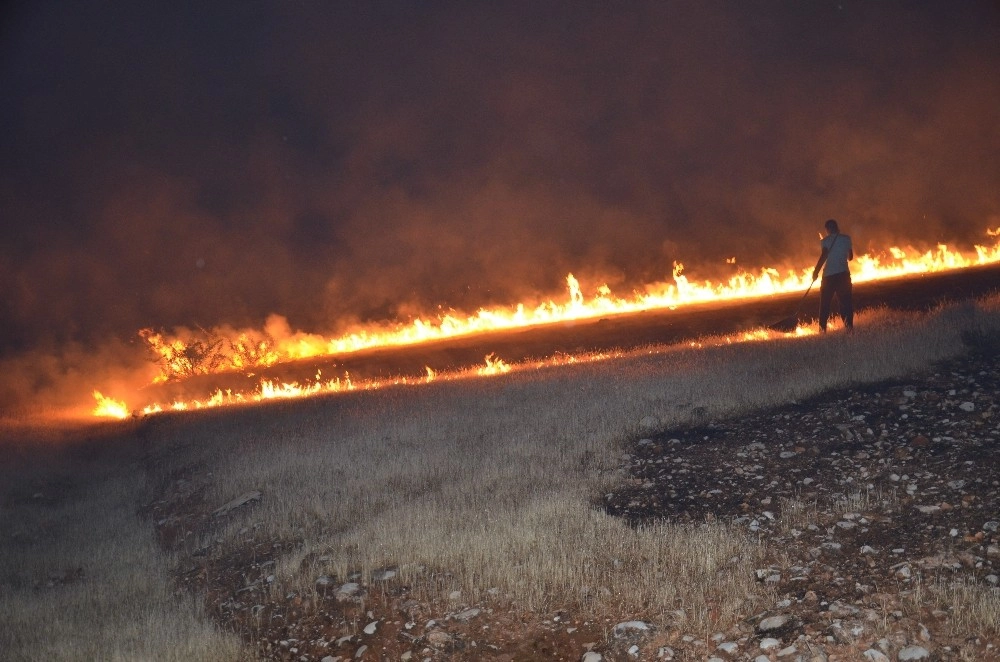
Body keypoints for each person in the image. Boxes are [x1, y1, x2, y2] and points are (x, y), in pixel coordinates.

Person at [811, 218, 854, 332]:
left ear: (828, 229)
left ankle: (822, 330)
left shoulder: (825, 241)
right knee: (845, 303)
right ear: (837, 227)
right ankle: (849, 328)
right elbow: (850, 257)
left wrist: (816, 271)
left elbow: (824, 256)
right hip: (843, 275)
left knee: (825, 304)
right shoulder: (846, 238)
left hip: (829, 277)